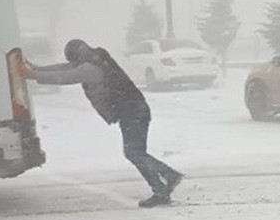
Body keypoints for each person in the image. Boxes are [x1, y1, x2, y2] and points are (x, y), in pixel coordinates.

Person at [19, 39, 184, 207]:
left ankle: (166, 180)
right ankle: (163, 186)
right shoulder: (94, 59)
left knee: (134, 153)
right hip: (133, 110)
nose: (73, 63)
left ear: (76, 55)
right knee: (135, 153)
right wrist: (36, 69)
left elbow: (66, 76)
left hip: (132, 111)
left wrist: (33, 75)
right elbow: (66, 67)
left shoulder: (91, 68)